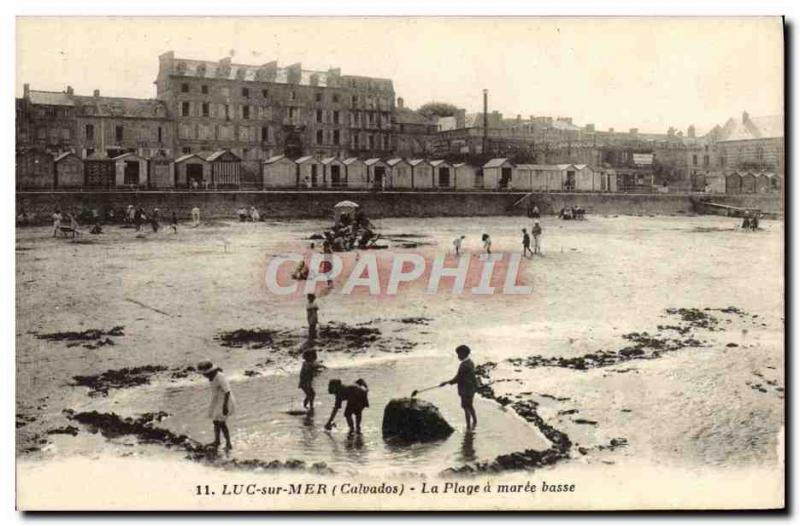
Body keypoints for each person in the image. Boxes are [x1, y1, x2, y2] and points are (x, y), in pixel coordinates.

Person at [197, 360, 235, 451]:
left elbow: (227, 392)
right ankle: (217, 441)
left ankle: (228, 443)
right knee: (215, 421)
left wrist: (225, 407)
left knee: (222, 423)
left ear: (208, 372)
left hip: (226, 401)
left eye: (204, 374)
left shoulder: (220, 376)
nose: (204, 375)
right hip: (218, 401)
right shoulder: (211, 377)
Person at [440, 345, 479, 430]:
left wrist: (446, 382)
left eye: (459, 354)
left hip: (465, 390)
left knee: (465, 407)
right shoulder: (470, 362)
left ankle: (468, 427)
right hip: (471, 389)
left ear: (464, 354)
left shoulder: (464, 365)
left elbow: (457, 378)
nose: (458, 356)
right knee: (470, 406)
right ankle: (475, 421)